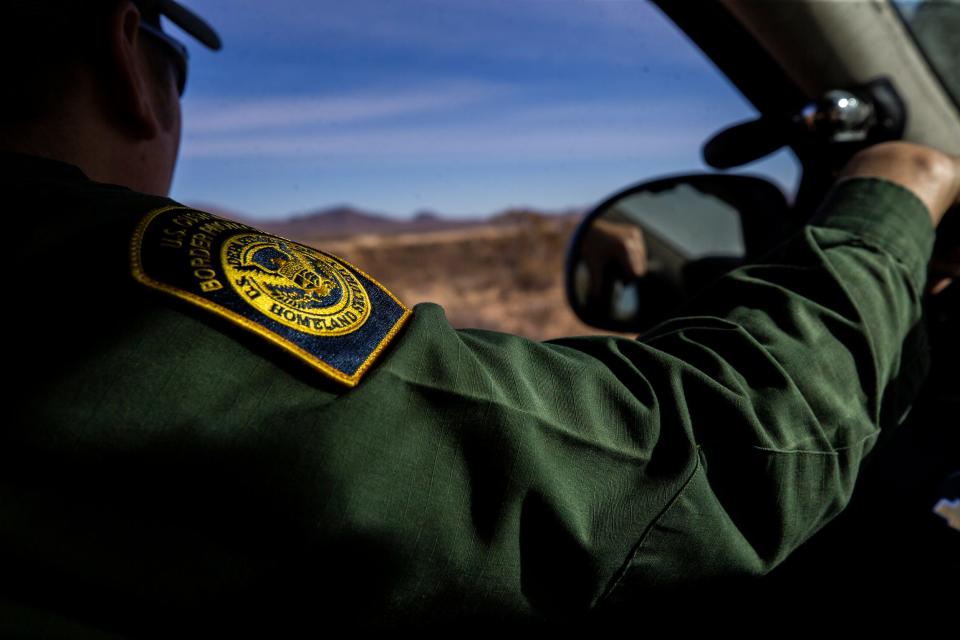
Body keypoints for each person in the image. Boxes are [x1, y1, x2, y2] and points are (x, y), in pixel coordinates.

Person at [2, 0, 958, 634]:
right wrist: (892, 198)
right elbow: (680, 474)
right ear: (130, 59)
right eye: (178, 69)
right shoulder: (83, 288)